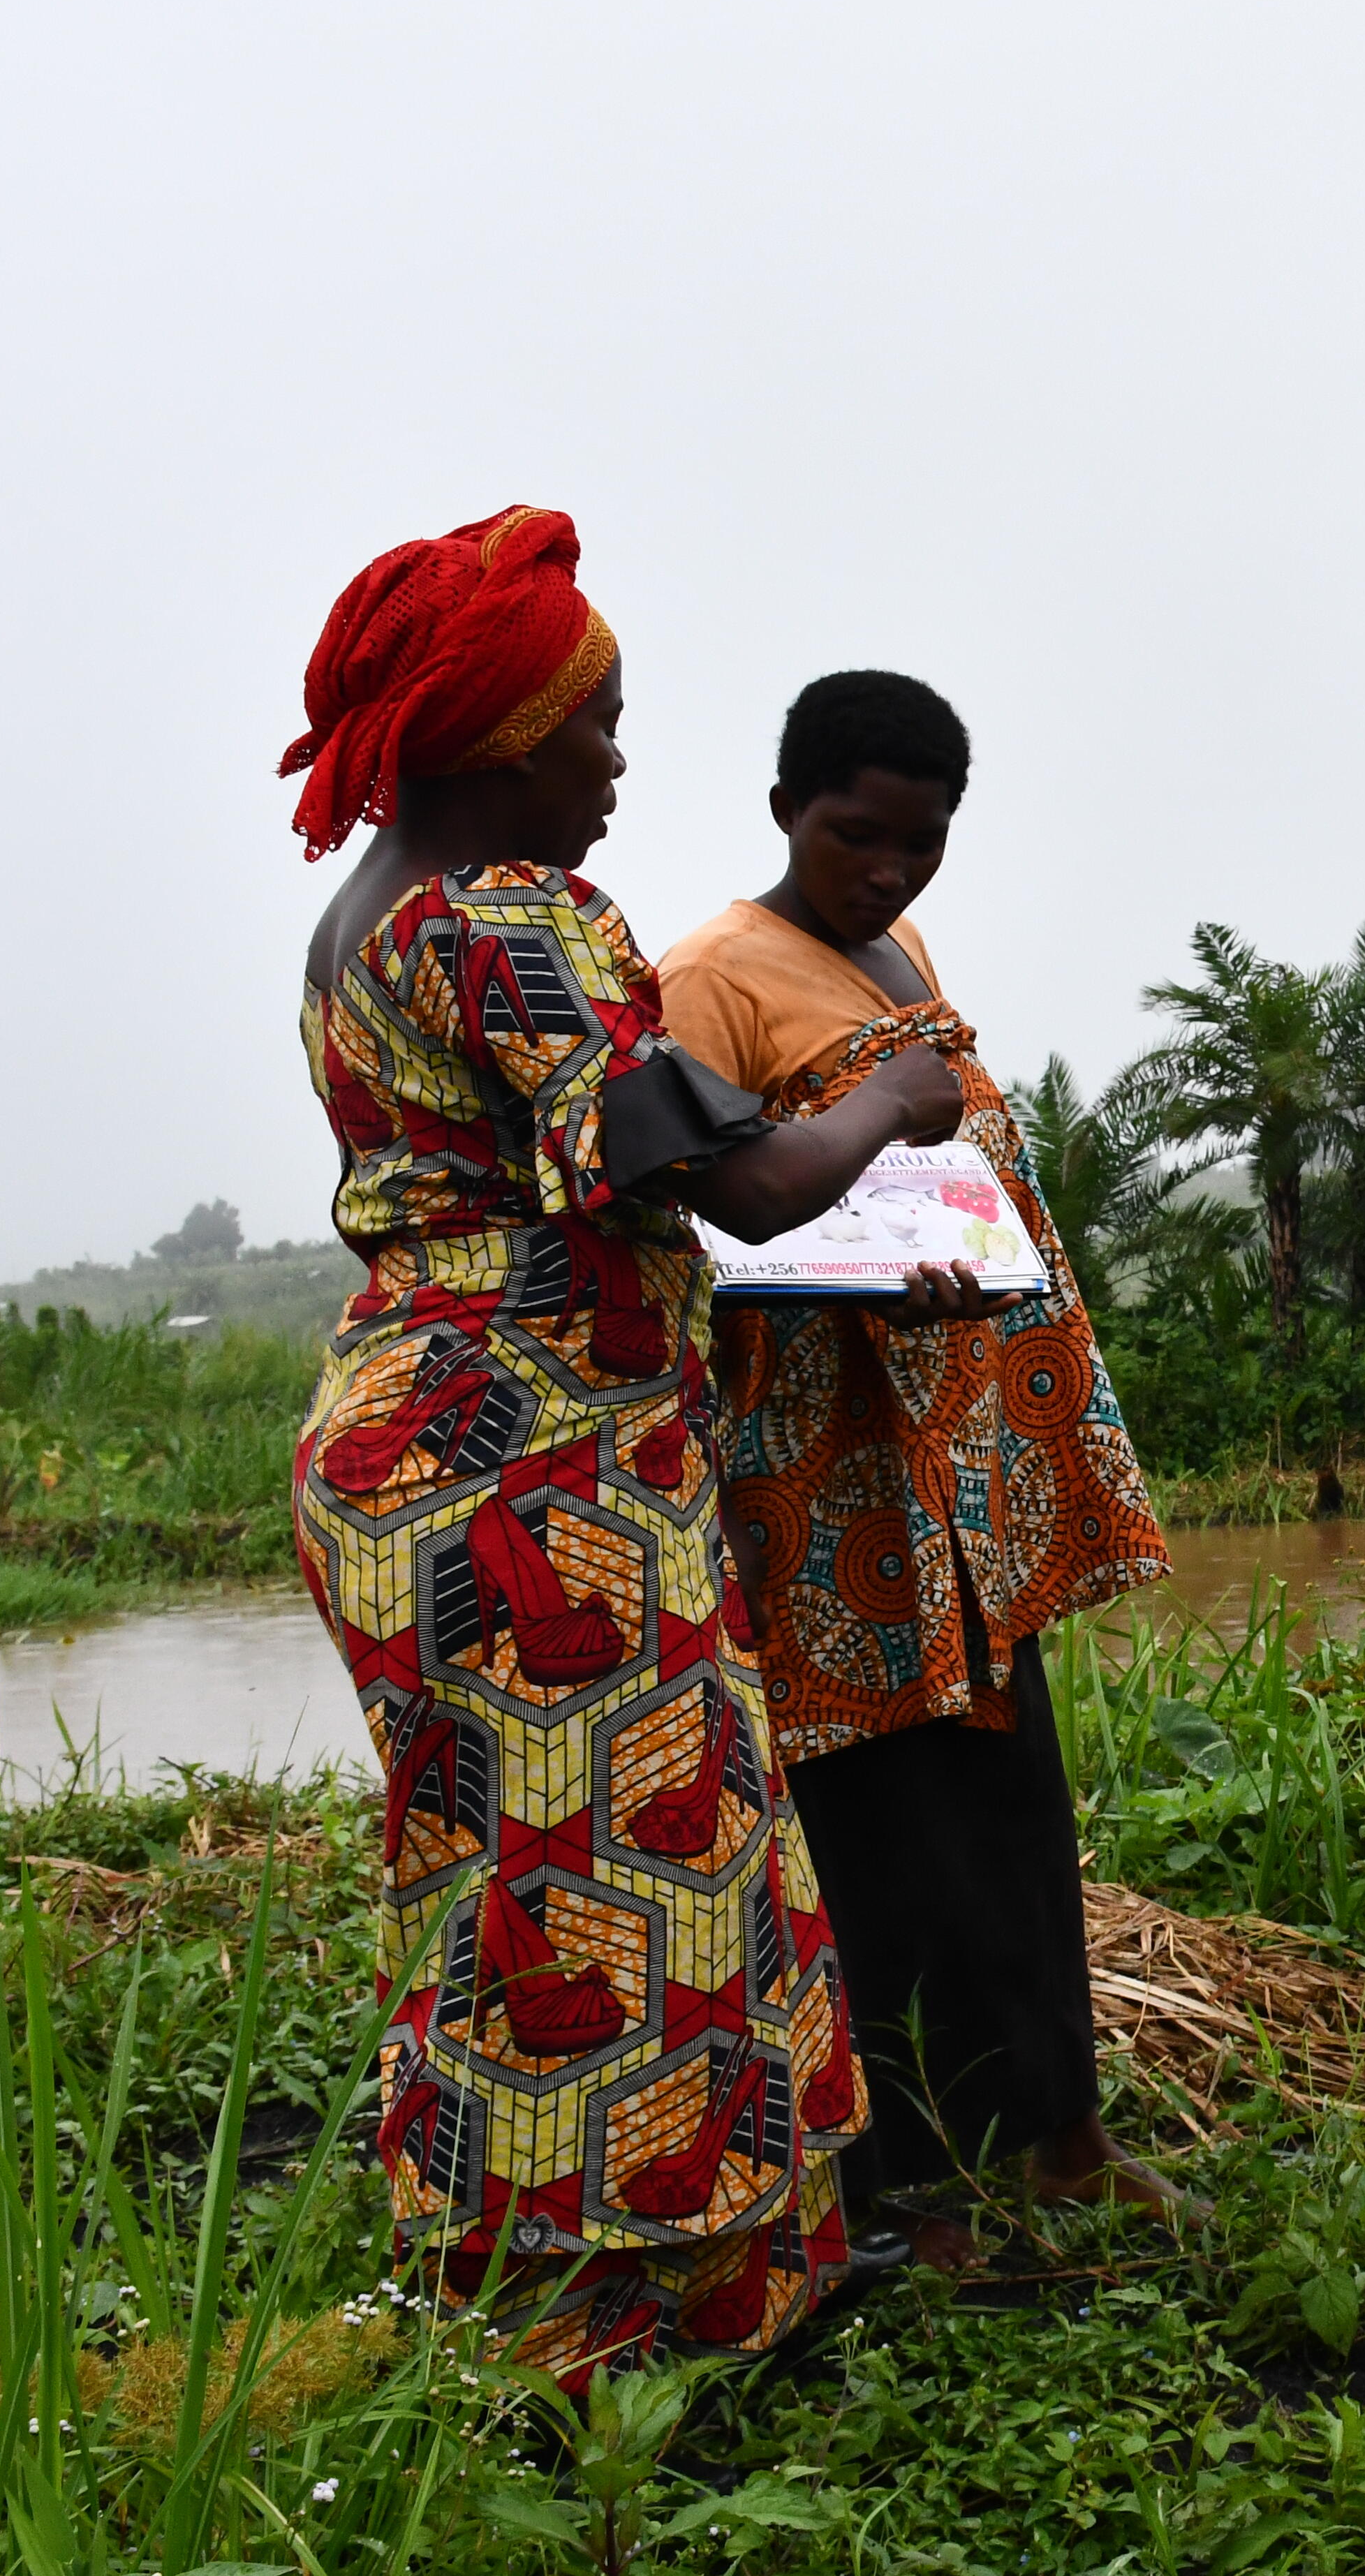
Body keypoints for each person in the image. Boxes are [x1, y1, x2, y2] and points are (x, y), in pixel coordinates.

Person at [283, 508, 969, 2387]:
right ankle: (625, 2326)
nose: (614, 762)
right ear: (496, 736)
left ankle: (606, 2281)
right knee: (617, 1879)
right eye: (591, 725)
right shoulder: (515, 914)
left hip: (413, 1444)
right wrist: (891, 1103)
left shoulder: (363, 924)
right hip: (536, 1467)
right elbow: (732, 1184)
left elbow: (600, 1139)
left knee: (513, 1876)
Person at [655, 670, 1182, 2265]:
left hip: (950, 1465)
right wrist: (862, 1276)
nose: (886, 869)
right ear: (784, 810)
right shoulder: (708, 977)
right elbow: (699, 1227)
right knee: (872, 1831)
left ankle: (1064, 2136)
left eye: (921, 841)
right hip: (825, 1481)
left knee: (1008, 1798)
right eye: (853, 834)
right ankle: (897, 2187)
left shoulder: (899, 950)